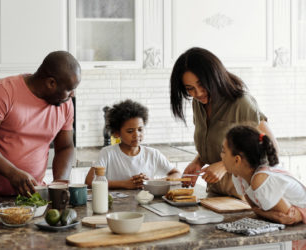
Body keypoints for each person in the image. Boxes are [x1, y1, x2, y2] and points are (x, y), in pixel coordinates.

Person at [0, 51, 81, 197]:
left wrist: (60, 182)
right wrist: (12, 173)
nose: (73, 95)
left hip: (32, 197)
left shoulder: (65, 105)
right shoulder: (3, 92)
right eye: (69, 89)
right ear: (51, 83)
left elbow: (65, 147)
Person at [170, 47, 278, 198]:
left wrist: (224, 166)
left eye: (202, 84)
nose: (198, 93)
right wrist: (198, 161)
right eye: (190, 89)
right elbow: (218, 144)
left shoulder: (241, 103)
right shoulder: (199, 103)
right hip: (216, 194)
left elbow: (268, 149)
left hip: (245, 198)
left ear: (214, 76)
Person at [85, 99, 180, 189]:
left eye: (140, 129)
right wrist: (125, 184)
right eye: (130, 131)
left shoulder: (153, 154)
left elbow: (177, 175)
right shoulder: (107, 153)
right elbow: (89, 181)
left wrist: (151, 182)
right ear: (117, 133)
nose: (136, 135)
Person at [221, 125, 306, 225]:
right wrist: (271, 215)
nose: (221, 155)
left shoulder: (260, 179)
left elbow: (289, 218)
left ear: (237, 160)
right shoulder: (239, 176)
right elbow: (255, 209)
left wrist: (265, 213)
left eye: (223, 151)